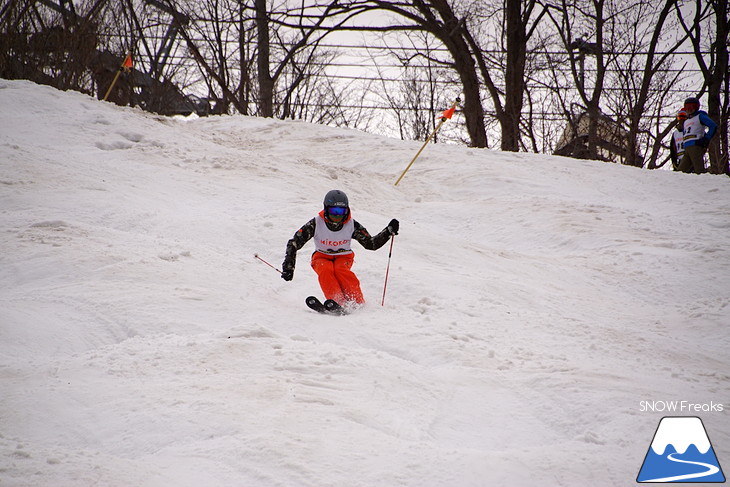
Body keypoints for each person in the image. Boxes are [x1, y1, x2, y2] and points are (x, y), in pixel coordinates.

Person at [281, 190, 399, 307]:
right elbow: (294, 243)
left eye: (341, 211)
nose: (337, 215)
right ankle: (337, 301)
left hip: (344, 256)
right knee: (325, 270)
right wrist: (288, 267)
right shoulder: (316, 224)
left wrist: (387, 232)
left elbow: (371, 244)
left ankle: (356, 301)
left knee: (340, 270)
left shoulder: (351, 225)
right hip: (321, 256)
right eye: (334, 211)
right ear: (326, 209)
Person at [678, 97, 717, 174]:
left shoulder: (700, 116)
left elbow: (713, 126)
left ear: (696, 107)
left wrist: (706, 139)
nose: (689, 109)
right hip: (687, 148)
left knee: (699, 170)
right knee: (680, 172)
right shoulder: (686, 121)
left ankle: (705, 183)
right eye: (687, 107)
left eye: (691, 106)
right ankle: (679, 185)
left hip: (695, 146)